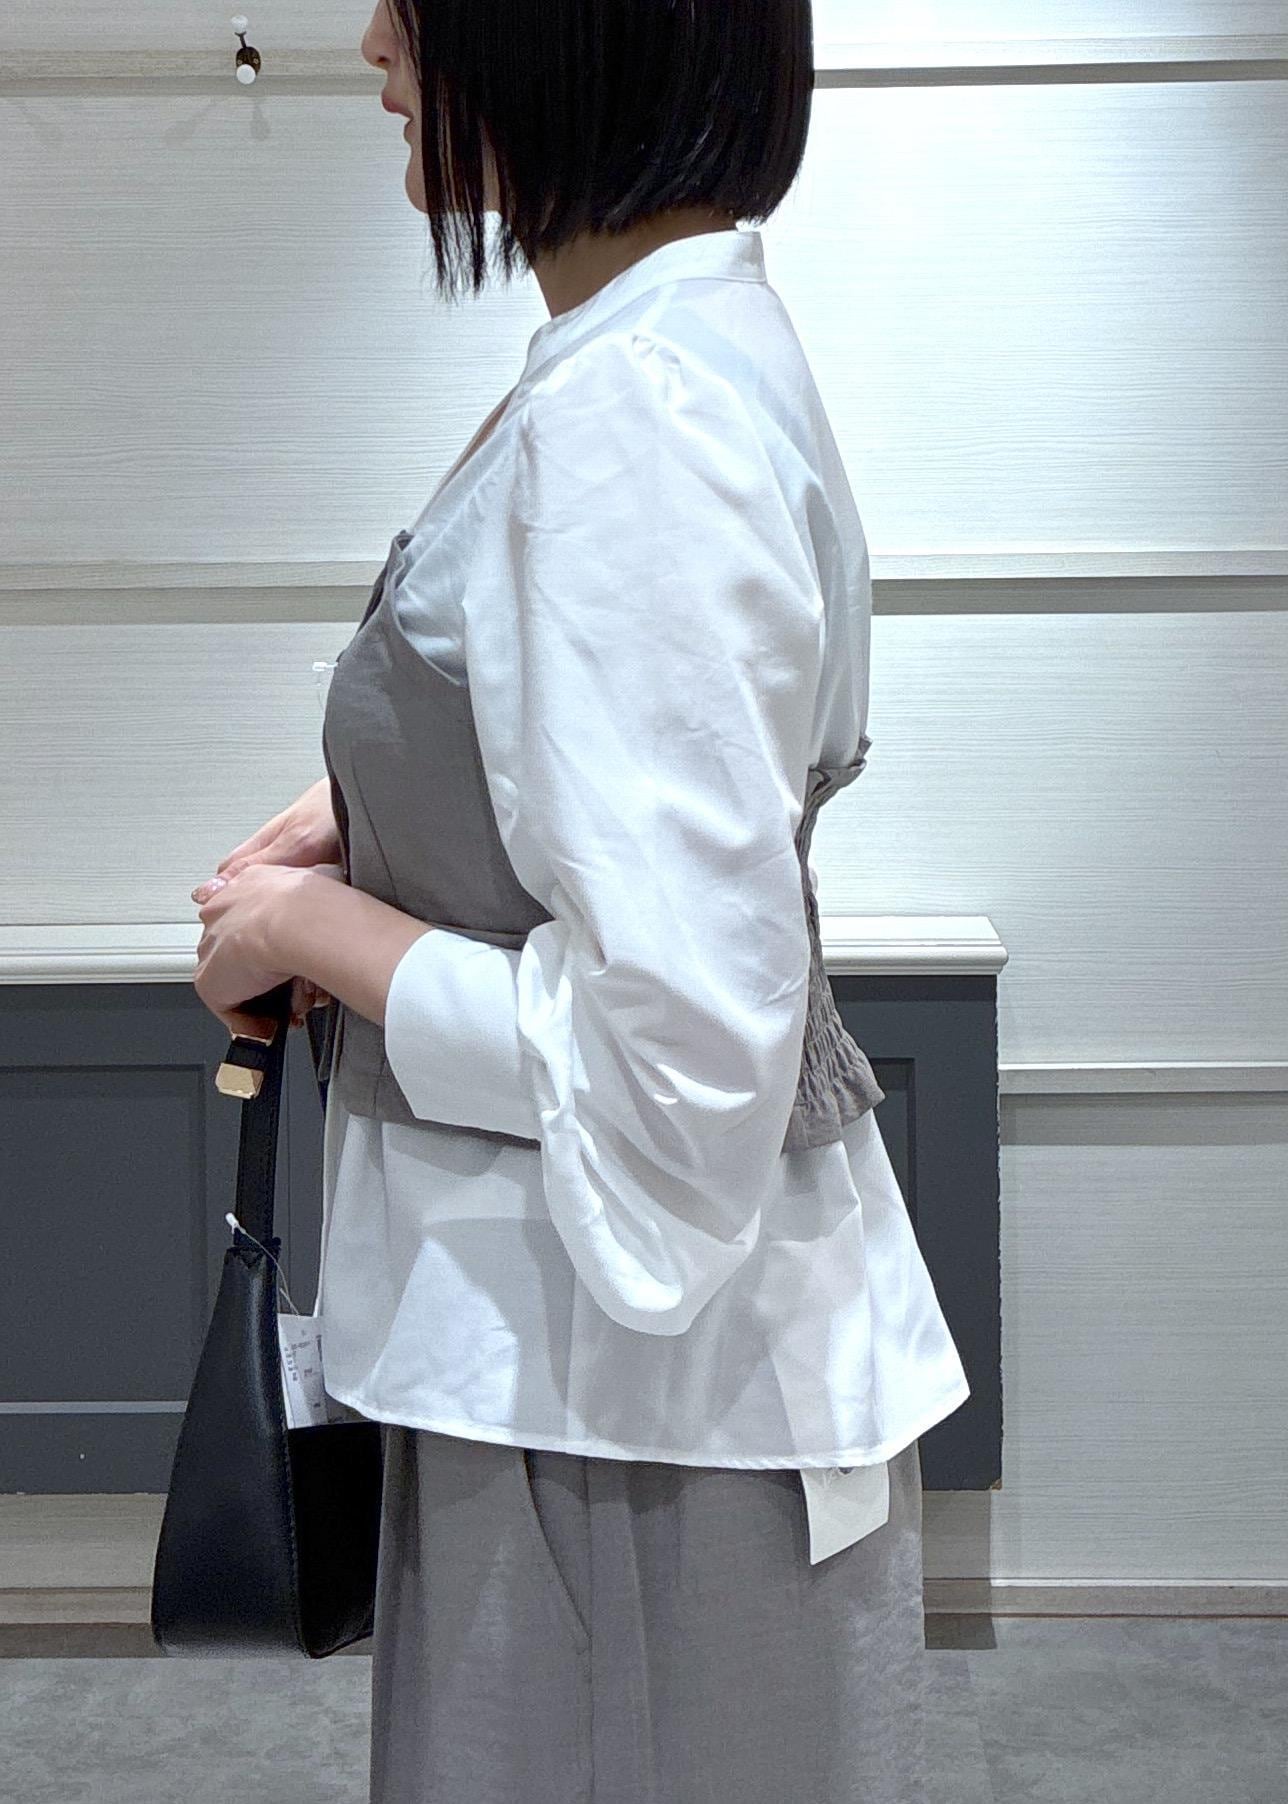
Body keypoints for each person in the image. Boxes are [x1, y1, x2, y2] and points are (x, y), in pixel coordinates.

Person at [189, 2, 970, 1798]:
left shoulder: (640, 412)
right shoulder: (664, 349)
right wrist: (359, 820)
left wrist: (317, 936)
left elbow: (674, 1085)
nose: (374, 41)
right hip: (598, 1404)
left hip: (635, 1433)